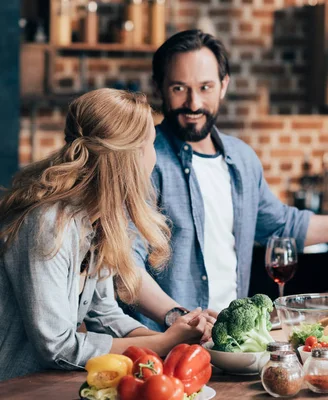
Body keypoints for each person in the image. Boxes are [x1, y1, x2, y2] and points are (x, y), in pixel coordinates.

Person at [127, 29, 328, 332]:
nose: (194, 102)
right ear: (159, 88)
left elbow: (285, 225)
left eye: (205, 87)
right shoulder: (144, 160)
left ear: (224, 86)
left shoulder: (242, 160)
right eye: (179, 88)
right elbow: (125, 263)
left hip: (228, 343)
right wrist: (176, 317)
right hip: (161, 345)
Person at [0, 89, 212, 382]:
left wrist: (177, 336)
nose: (155, 155)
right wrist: (163, 343)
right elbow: (57, 348)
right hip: (14, 386)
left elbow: (105, 314)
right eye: (151, 144)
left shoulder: (98, 219)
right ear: (128, 157)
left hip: (46, 384)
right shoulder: (49, 225)